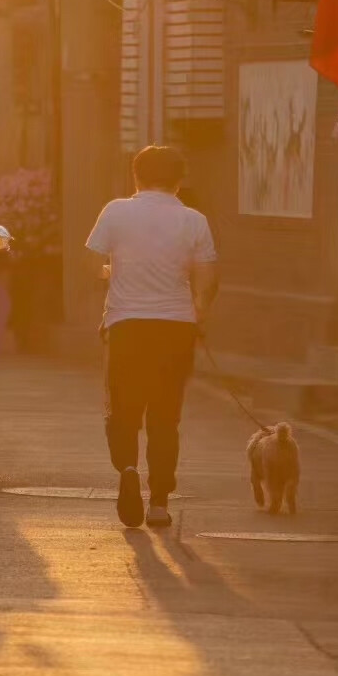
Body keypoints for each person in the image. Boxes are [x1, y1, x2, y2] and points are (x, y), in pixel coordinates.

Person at [86, 144, 219, 530]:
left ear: (136, 176)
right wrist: (199, 311)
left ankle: (127, 469)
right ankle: (159, 502)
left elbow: (91, 263)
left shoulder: (115, 211)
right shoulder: (194, 221)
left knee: (123, 411)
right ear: (179, 181)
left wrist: (113, 274)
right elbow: (208, 277)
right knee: (165, 416)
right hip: (175, 328)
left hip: (127, 326)